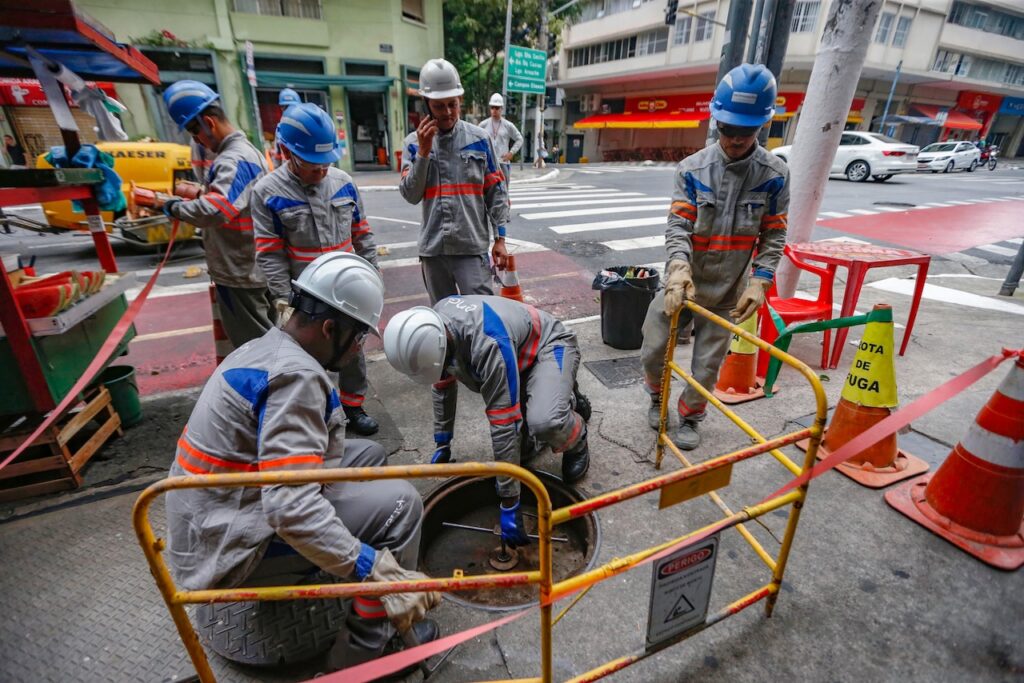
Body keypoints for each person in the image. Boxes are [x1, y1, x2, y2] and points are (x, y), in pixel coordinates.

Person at [165, 252, 441, 670]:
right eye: (358, 336)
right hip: (231, 545)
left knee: (370, 455)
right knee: (402, 504)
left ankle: (329, 557)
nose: (358, 349)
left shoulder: (267, 347)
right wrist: (373, 568)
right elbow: (289, 508)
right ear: (330, 328)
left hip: (213, 515)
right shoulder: (297, 379)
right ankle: (366, 653)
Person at [639, 63, 789, 450]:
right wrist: (677, 269)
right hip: (683, 285)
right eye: (728, 128)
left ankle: (691, 416)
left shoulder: (775, 175)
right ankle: (656, 397)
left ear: (762, 126)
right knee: (653, 347)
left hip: (726, 293)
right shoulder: (692, 170)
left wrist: (760, 281)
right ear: (716, 121)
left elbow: (774, 233)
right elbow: (678, 226)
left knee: (707, 365)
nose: (735, 139)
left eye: (745, 131)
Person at [383, 296, 592, 548]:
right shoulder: (435, 329)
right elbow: (442, 388)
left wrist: (509, 501)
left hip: (548, 346)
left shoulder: (488, 345)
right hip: (516, 356)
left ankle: (576, 434)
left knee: (544, 423)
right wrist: (442, 441)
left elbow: (505, 425)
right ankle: (557, 395)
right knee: (522, 455)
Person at [252, 103, 382, 437]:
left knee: (352, 351)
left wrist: (374, 279)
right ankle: (314, 412)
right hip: (302, 296)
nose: (322, 172)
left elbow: (363, 236)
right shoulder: (268, 193)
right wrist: (283, 301)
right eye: (313, 166)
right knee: (302, 359)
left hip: (347, 289)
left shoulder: (343, 183)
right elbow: (270, 254)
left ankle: (353, 407)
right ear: (287, 153)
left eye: (327, 164)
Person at [158, 80, 274, 349]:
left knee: (256, 348)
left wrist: (175, 208)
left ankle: (273, 377)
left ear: (208, 123)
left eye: (194, 133)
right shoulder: (245, 153)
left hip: (240, 269)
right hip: (249, 265)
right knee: (268, 341)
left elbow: (217, 209)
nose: (196, 141)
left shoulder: (234, 158)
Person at [399, 58, 510, 305]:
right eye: (439, 106)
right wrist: (424, 153)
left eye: (453, 104)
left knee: (482, 314)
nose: (448, 112)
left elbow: (496, 192)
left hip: (471, 249)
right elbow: (410, 194)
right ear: (427, 105)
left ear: (460, 101)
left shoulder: (479, 139)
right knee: (444, 318)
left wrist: (500, 239)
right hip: (434, 251)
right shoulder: (413, 144)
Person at [479, 93, 523, 185]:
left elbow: (519, 139)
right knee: (487, 190)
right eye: (492, 107)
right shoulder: (483, 125)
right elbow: (476, 140)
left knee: (503, 191)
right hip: (488, 164)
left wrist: (511, 153)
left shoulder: (508, 125)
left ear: (501, 109)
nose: (494, 110)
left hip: (503, 163)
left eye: (497, 108)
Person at [271, 88, 302, 168]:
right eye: (285, 107)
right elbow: (277, 155)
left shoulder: (307, 125)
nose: (288, 110)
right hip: (289, 171)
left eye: (290, 107)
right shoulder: (280, 129)